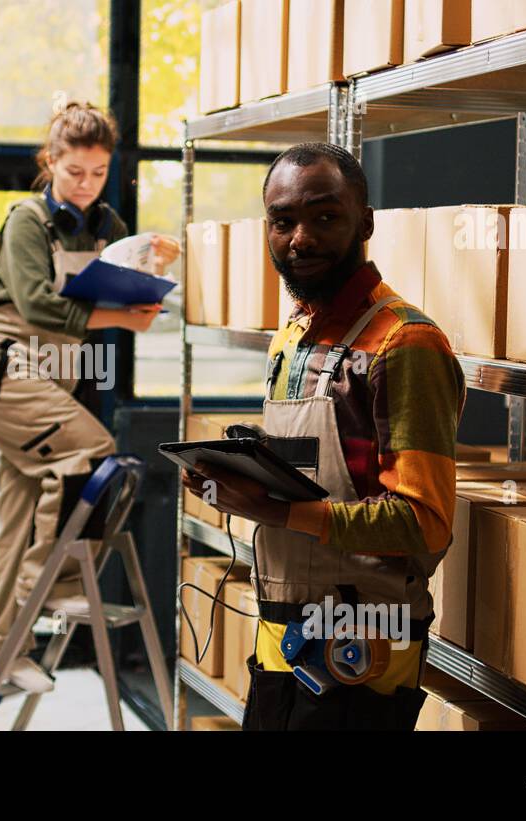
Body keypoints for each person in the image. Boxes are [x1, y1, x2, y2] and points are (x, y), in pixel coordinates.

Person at [183, 142, 465, 730]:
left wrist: (274, 510)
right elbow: (318, 471)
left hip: (363, 644)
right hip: (282, 633)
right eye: (284, 221)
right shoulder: (293, 337)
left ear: (365, 221)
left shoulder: (404, 344)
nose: (301, 238)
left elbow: (424, 522)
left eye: (325, 216)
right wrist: (236, 477)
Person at [0, 102, 180, 693]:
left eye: (98, 172)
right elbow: (34, 305)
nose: (86, 184)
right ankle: (56, 591)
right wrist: (120, 317)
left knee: (21, 515)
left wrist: (149, 266)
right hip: (7, 367)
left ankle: (3, 655)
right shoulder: (26, 220)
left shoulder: (106, 223)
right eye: (74, 171)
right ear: (50, 162)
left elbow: (102, 297)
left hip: (55, 373)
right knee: (91, 452)